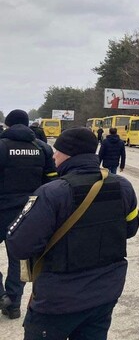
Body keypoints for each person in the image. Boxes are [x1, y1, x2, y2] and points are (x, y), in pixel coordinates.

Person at [6, 127, 139, 339]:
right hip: (104, 294)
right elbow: (131, 228)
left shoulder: (52, 193)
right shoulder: (122, 186)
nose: (53, 156)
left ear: (67, 154)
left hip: (58, 302)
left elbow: (19, 245)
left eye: (56, 151)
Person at [0, 109, 57, 319]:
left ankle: (1, 295)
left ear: (7, 125)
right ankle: (13, 304)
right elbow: (52, 180)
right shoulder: (42, 148)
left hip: (2, 209)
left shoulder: (2, 146)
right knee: (20, 259)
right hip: (28, 213)